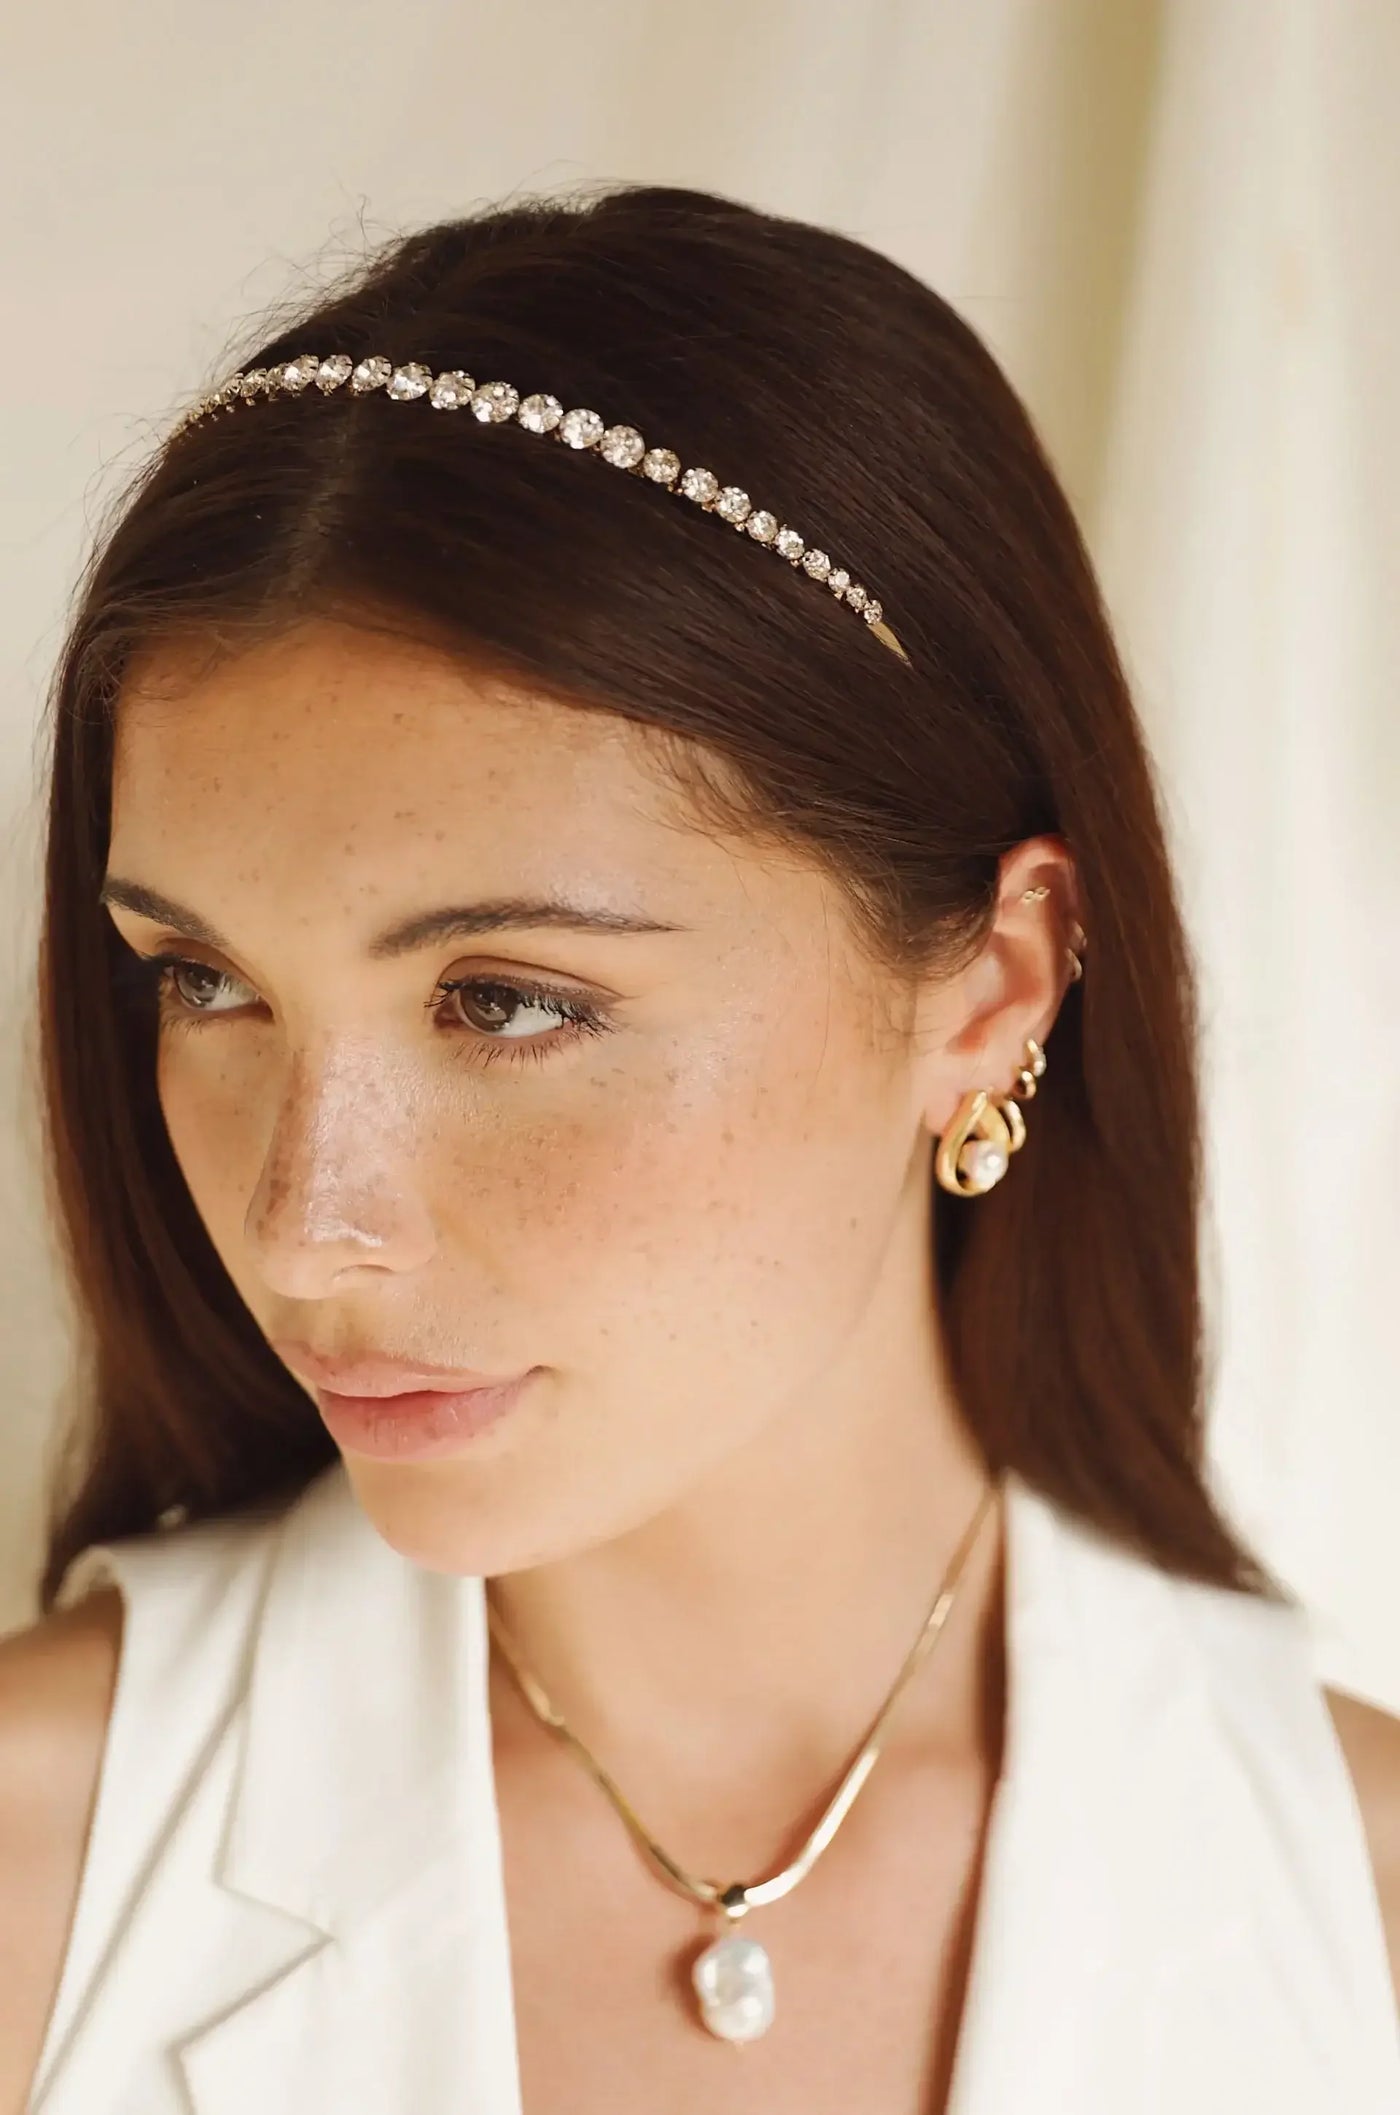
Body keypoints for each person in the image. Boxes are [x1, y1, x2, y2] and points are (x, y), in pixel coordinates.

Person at [1, 180, 1396, 2114]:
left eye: (506, 1001)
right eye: (205, 981)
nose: (306, 1228)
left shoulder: (1361, 1923)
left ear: (995, 982)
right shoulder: (34, 1879)